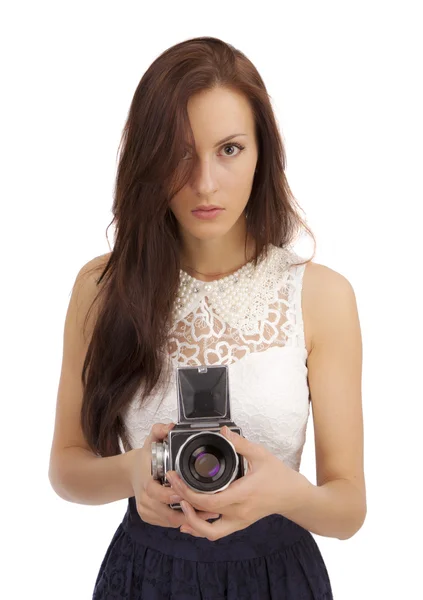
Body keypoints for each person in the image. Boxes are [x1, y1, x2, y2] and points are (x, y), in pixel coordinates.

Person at [48, 36, 366, 599]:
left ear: (263, 151)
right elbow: (66, 469)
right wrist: (134, 472)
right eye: (180, 152)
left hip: (278, 578)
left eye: (229, 149)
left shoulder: (320, 296)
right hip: (144, 577)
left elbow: (348, 509)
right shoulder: (102, 288)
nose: (205, 184)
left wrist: (282, 493)